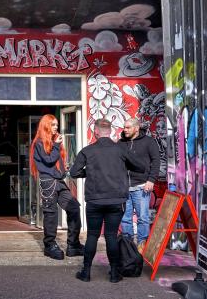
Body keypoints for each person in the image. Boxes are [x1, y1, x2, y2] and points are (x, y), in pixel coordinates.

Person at [69, 118, 145, 283]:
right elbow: (140, 166)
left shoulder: (87, 151)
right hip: (116, 201)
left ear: (96, 132)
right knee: (111, 236)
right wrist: (123, 168)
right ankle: (114, 274)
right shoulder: (120, 150)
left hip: (95, 201)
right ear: (110, 131)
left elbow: (74, 172)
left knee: (92, 236)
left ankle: (86, 273)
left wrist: (87, 172)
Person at [30, 114, 82, 259]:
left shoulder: (52, 142)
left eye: (57, 125)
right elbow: (48, 160)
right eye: (53, 125)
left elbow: (54, 163)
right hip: (48, 181)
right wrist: (57, 146)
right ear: (45, 125)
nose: (56, 128)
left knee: (74, 208)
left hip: (58, 181)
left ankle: (73, 244)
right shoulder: (39, 143)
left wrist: (63, 168)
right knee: (51, 214)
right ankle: (49, 245)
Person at [120, 118, 161, 246]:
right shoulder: (120, 143)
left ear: (136, 128)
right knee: (125, 218)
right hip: (124, 187)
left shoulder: (149, 142)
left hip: (142, 186)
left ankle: (142, 245)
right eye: (124, 127)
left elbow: (156, 161)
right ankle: (128, 245)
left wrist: (151, 180)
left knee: (142, 218)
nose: (125, 130)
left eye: (128, 128)